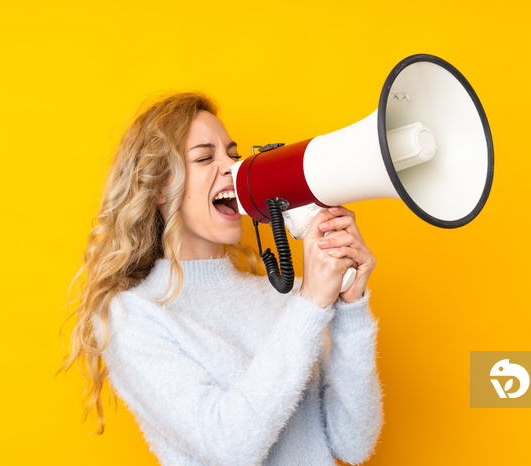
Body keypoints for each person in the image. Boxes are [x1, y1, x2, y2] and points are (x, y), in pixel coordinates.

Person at [61, 92, 383, 465]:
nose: (232, 167)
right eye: (204, 157)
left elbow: (353, 444)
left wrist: (350, 309)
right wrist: (311, 305)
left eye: (233, 153)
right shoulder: (134, 315)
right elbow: (229, 446)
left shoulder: (284, 295)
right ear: (159, 187)